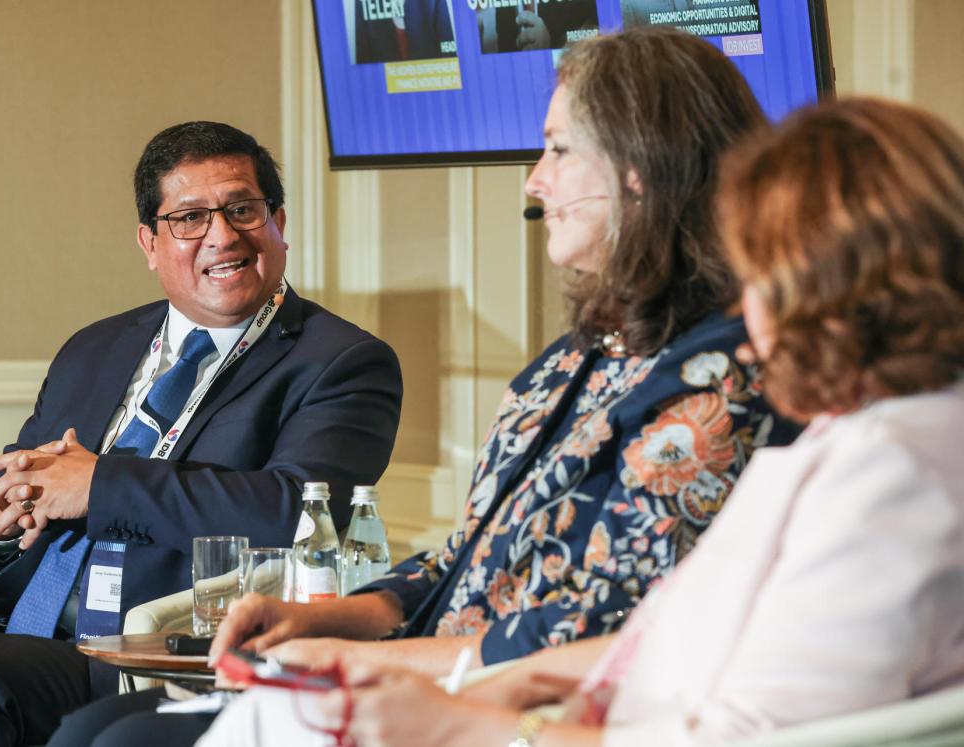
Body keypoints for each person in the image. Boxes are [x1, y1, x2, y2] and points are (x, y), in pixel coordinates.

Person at [51, 25, 798, 747]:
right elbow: (466, 557)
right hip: (426, 664)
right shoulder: (570, 362)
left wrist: (365, 659)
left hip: (510, 705)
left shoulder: (716, 388)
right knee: (95, 728)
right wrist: (327, 617)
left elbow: (606, 627)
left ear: (643, 170)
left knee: (120, 736)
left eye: (559, 149)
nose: (535, 179)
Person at [204, 95, 964, 747]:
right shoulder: (864, 437)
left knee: (268, 722)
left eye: (759, 275)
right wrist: (493, 681)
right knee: (270, 713)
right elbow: (662, 639)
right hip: (550, 701)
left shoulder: (897, 475)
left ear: (831, 290)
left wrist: (471, 722)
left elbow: (740, 730)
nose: (745, 305)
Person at [0, 121, 403, 747]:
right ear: (150, 242)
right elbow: (4, 486)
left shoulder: (341, 362)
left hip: (140, 652)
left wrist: (101, 484)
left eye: (243, 210)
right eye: (190, 217)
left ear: (279, 223)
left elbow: (293, 512)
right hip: (16, 620)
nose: (223, 235)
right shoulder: (97, 346)